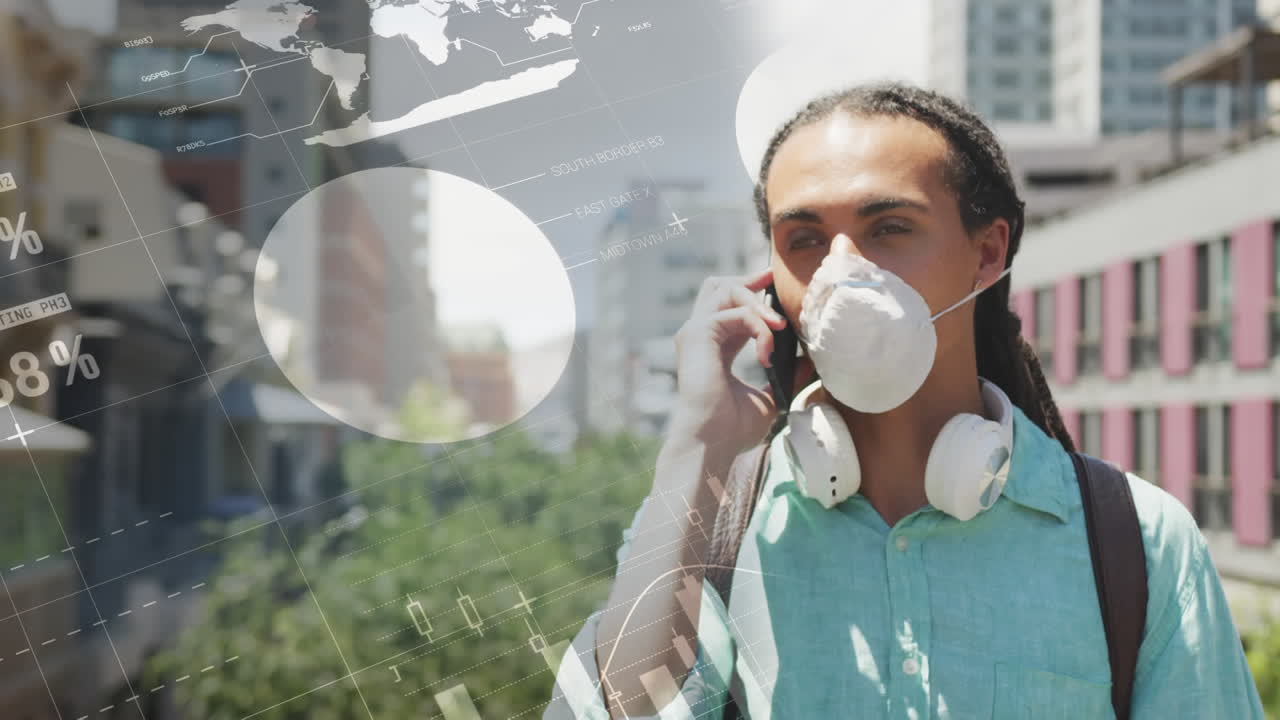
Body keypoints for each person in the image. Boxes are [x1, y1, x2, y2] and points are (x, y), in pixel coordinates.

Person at [544, 81, 1265, 719]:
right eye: (804, 239)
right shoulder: (715, 524)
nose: (842, 269)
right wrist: (696, 443)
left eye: (889, 228)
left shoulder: (1136, 541)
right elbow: (619, 709)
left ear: (987, 253)